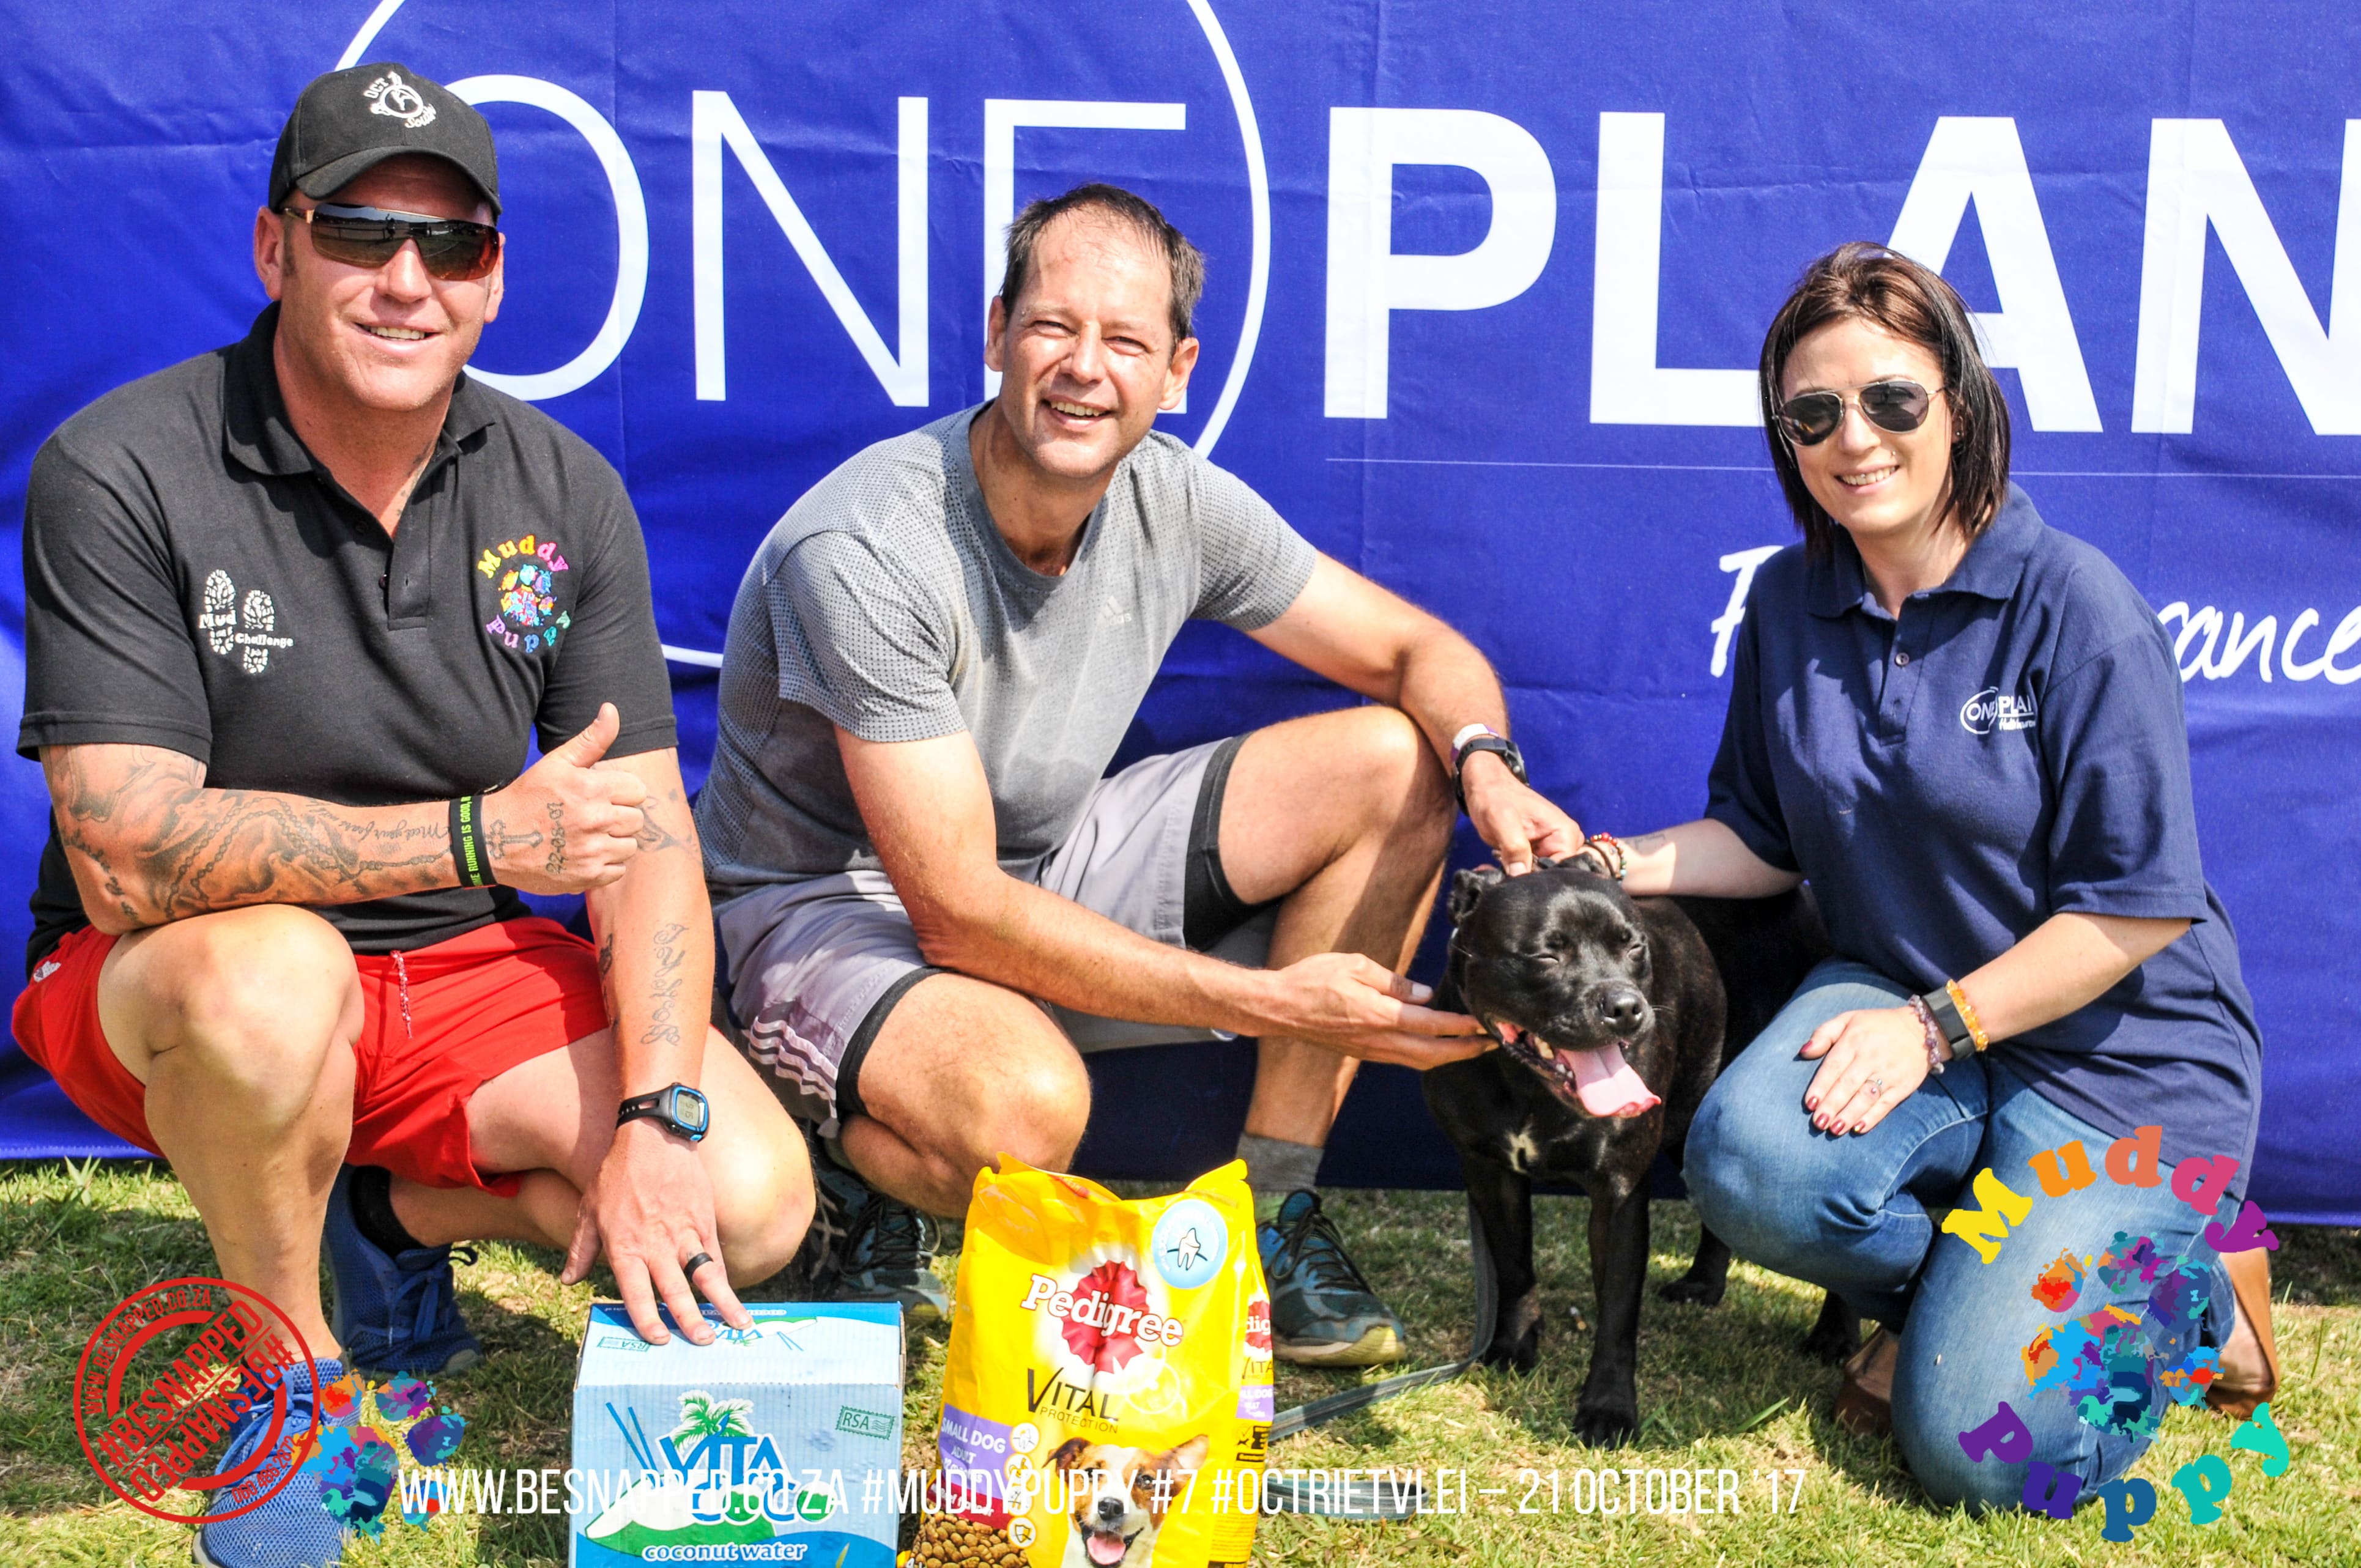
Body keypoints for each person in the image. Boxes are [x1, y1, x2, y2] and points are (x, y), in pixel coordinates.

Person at [13, 64, 810, 1566]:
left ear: (493, 280)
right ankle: (291, 1374)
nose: (405, 279)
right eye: (359, 231)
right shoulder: (121, 464)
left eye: (449, 243)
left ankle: (378, 1219)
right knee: (277, 976)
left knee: (750, 1202)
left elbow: (644, 834)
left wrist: (655, 1119)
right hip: (181, 975)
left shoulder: (563, 488)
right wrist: (474, 840)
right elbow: (122, 854)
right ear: (276, 247)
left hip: (452, 970)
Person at [697, 182, 1579, 1364]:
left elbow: (1416, 651)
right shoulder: (866, 545)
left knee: (1395, 759)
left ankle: (1270, 1219)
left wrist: (1486, 767)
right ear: (998, 334)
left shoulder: (1173, 495)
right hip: (822, 903)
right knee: (1026, 1112)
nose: (1083, 368)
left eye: (1124, 341)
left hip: (1033, 858)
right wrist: (1273, 1000)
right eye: (1052, 327)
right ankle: (838, 1148)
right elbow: (955, 912)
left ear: (1177, 373)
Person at [1588, 243, 2274, 1508]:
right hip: (1909, 999)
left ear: (1959, 401)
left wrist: (1932, 1028)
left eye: (1890, 399)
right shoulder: (1788, 601)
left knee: (1980, 1456)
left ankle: (2189, 1297)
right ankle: (1985, 1297)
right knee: (1748, 1168)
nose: (1853, 438)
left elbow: (2136, 911)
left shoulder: (2077, 604)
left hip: (2117, 1061)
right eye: (1812, 414)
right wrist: (1605, 863)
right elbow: (1762, 839)